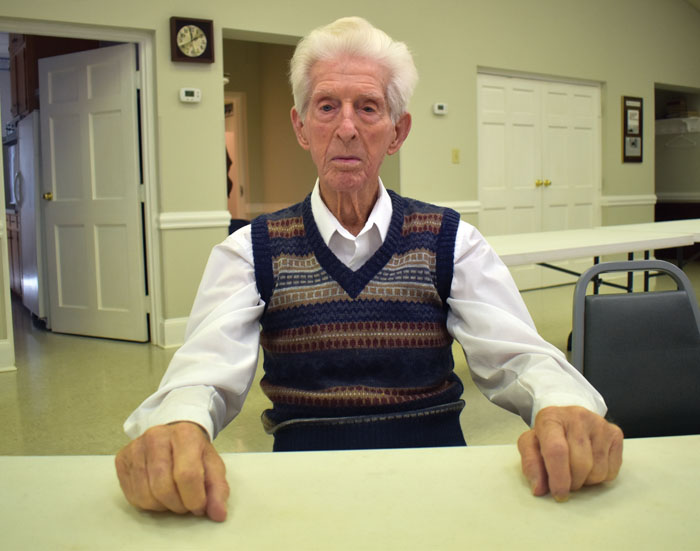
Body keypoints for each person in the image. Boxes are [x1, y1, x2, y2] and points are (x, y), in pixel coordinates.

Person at [115, 16, 622, 522]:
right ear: (301, 127)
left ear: (397, 131)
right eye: (326, 106)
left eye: (368, 107)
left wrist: (560, 406)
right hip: (300, 494)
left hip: (440, 486)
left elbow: (521, 358)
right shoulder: (250, 251)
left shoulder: (451, 240)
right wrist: (178, 424)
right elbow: (203, 372)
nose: (346, 128)